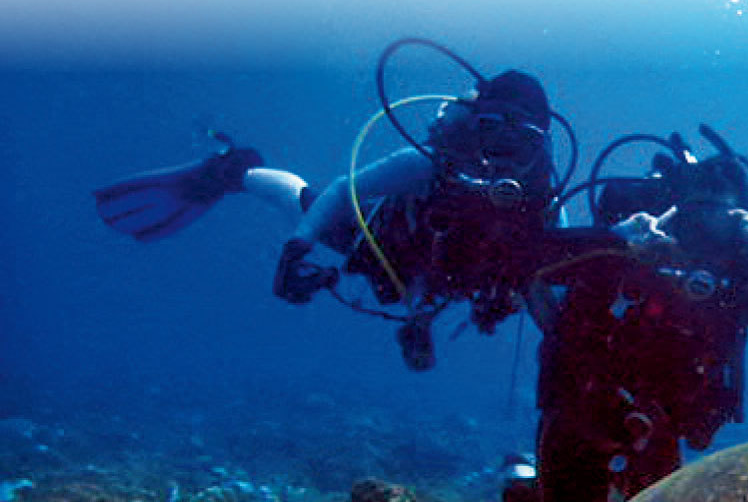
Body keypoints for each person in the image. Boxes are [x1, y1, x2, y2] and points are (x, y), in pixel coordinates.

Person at [94, 39, 569, 372]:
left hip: (457, 274)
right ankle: (233, 169)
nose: (503, 150)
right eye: (493, 128)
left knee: (507, 276)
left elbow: (552, 274)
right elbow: (345, 191)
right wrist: (296, 250)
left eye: (521, 137)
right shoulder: (429, 164)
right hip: (386, 243)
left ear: (541, 144)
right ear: (472, 125)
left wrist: (567, 339)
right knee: (307, 204)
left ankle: (417, 315)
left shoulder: (542, 198)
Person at [501, 127, 748, 502]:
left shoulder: (743, 269)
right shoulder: (630, 245)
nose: (702, 235)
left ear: (743, 219)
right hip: (582, 403)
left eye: (720, 219)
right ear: (670, 207)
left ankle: (536, 492)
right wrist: (614, 241)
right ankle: (525, 492)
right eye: (693, 216)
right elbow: (518, 259)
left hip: (666, 418)